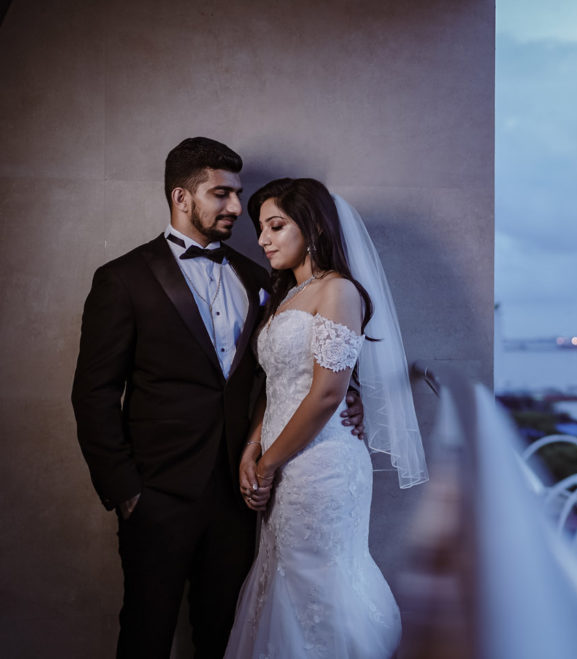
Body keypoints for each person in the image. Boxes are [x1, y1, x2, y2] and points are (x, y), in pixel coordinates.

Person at [70, 138, 365, 658]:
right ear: (182, 198)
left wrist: (349, 399)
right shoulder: (122, 279)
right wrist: (126, 490)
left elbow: (289, 368)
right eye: (221, 194)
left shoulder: (261, 280)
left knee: (226, 632)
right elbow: (93, 394)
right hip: (156, 495)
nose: (235, 209)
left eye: (238, 194)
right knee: (146, 630)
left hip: (240, 493)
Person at [224, 178, 428, 658]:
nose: (262, 239)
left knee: (318, 580)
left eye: (276, 226)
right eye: (261, 229)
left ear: (312, 227)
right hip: (280, 464)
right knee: (285, 580)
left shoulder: (338, 291)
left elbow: (327, 394)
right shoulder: (286, 297)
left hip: (321, 467)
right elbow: (275, 388)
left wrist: (269, 464)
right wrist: (252, 450)